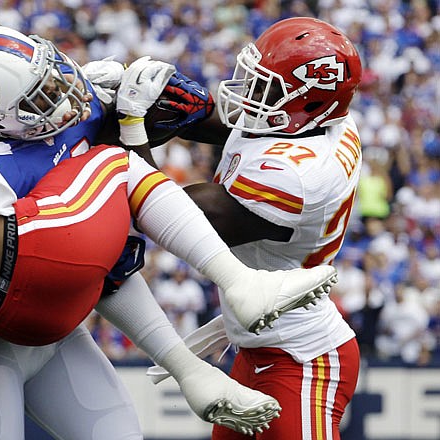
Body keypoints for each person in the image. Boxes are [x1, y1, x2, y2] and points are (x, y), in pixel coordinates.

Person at [0, 5, 335, 438]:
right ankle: (234, 299)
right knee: (113, 178)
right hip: (39, 282)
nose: (64, 98)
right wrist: (134, 126)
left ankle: (194, 367)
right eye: (42, 92)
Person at [148, 17, 363, 440]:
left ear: (310, 103)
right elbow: (243, 127)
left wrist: (132, 130)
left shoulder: (298, 175)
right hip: (256, 348)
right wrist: (173, 106)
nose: (251, 94)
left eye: (267, 88)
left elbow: (168, 215)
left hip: (303, 357)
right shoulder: (316, 124)